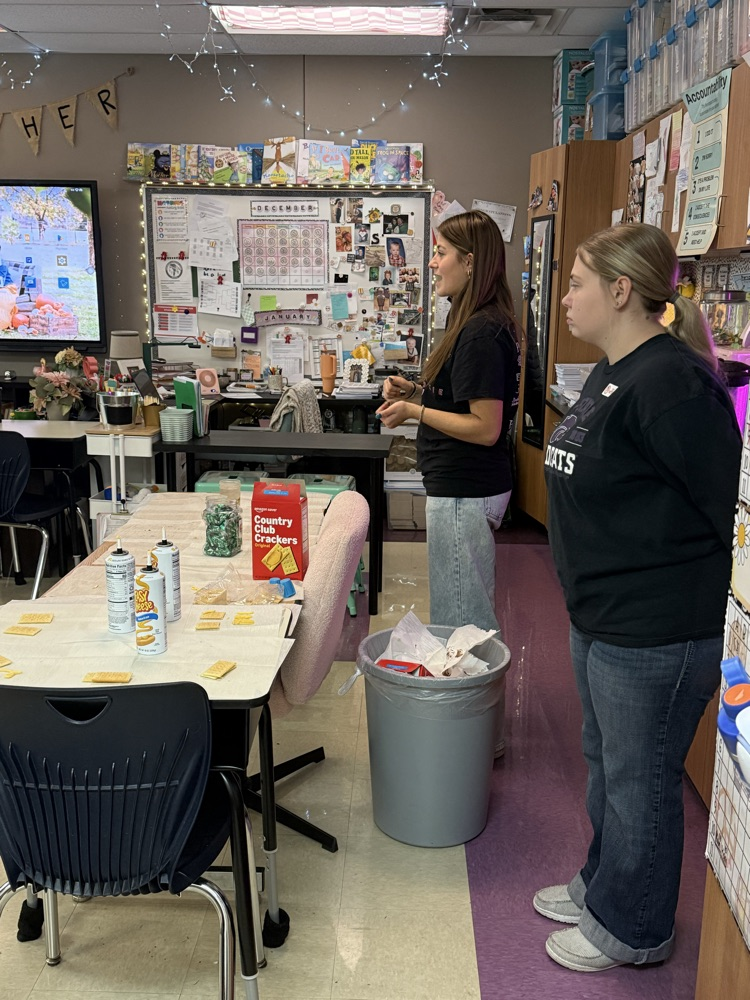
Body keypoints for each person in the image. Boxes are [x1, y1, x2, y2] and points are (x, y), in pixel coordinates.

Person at [539, 223, 741, 974]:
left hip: (656, 627)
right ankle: (604, 885)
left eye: (579, 284)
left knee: (641, 778)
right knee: (608, 763)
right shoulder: (611, 369)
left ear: (621, 291)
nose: (566, 297)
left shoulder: (673, 385)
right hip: (602, 616)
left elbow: (720, 510)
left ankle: (635, 926)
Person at [377, 209, 520, 635]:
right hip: (458, 489)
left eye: (441, 253)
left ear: (471, 262)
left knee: (463, 623)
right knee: (456, 612)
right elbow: (459, 403)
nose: (433, 263)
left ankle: (467, 701)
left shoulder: (481, 330)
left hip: (466, 492)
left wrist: (414, 412)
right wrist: (415, 393)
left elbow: (484, 426)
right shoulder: (470, 321)